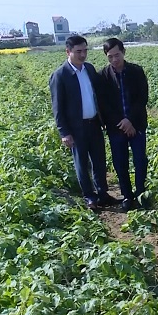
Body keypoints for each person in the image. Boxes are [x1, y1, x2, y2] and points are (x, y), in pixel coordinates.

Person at [49, 35, 121, 211]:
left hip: (94, 123)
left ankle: (103, 194)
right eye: (78, 51)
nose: (82, 55)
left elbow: (99, 94)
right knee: (81, 163)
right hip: (76, 127)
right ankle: (90, 197)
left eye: (85, 51)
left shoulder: (88, 69)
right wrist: (64, 132)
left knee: (99, 161)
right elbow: (57, 107)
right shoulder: (60, 75)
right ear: (68, 52)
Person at [99, 38, 150, 212]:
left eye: (117, 55)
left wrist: (130, 120)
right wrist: (121, 122)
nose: (114, 59)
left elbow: (142, 98)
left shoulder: (136, 71)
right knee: (120, 163)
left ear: (124, 52)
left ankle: (140, 193)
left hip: (136, 124)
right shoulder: (103, 76)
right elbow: (104, 105)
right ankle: (127, 196)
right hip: (116, 127)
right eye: (110, 56)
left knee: (140, 160)